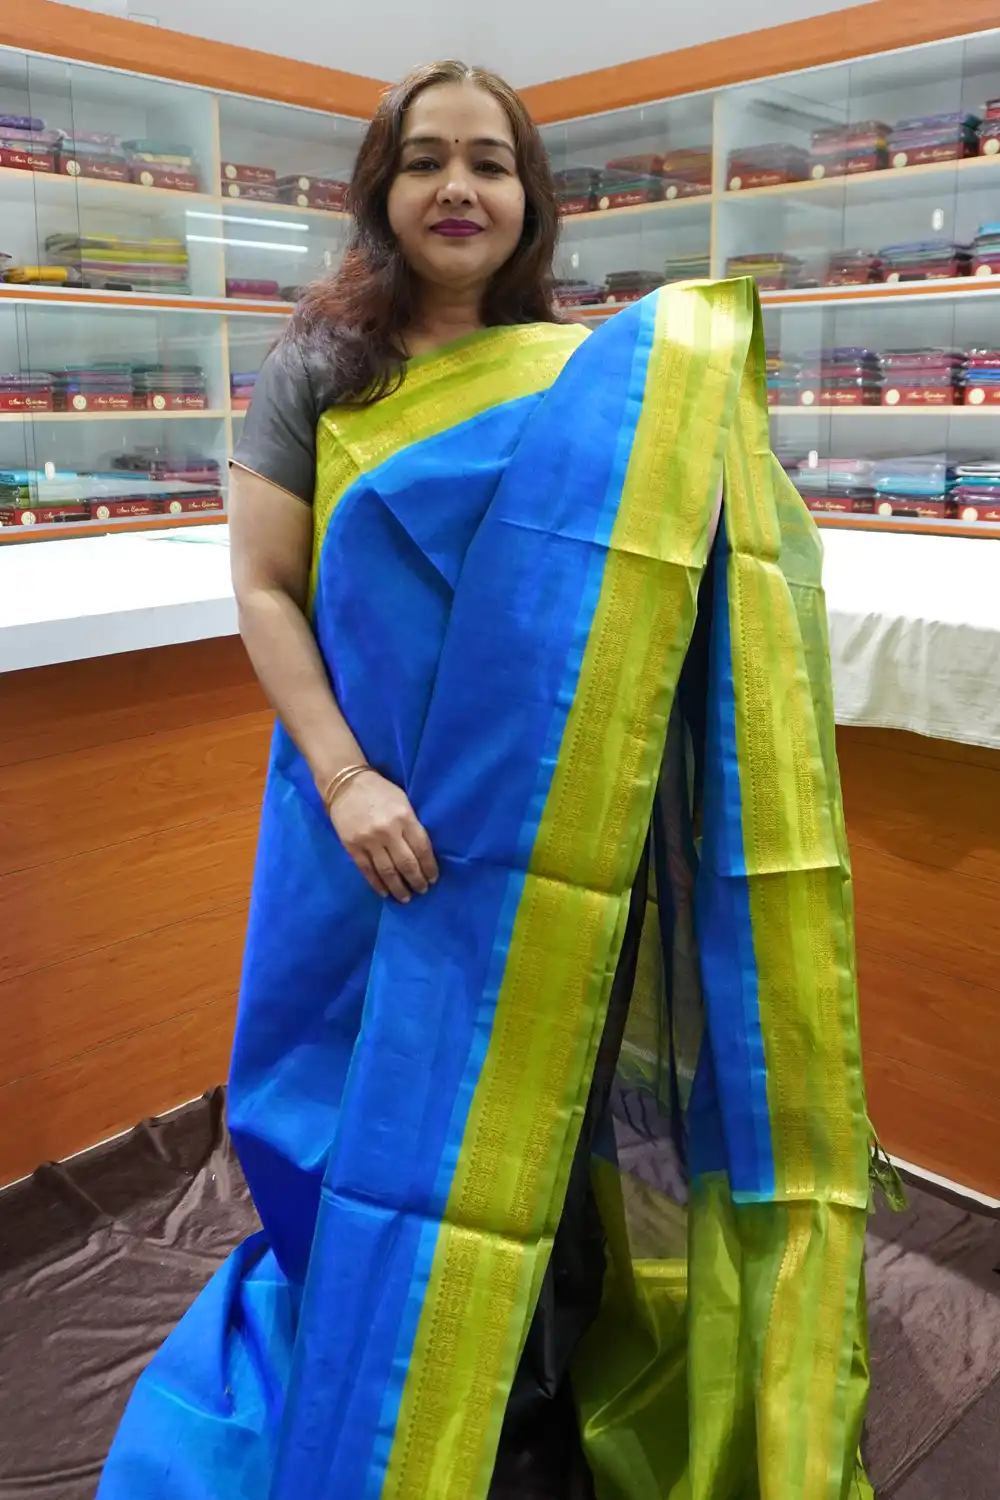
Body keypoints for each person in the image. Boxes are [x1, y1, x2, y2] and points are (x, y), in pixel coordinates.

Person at [97, 60, 884, 1500]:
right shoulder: (321, 368)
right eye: (425, 160)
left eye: (490, 162)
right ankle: (372, 1374)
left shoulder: (593, 382)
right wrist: (346, 779)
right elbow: (265, 589)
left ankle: (520, 1381)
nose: (457, 187)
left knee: (541, 1104)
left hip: (548, 829)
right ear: (380, 190)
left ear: (531, 198)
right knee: (341, 1098)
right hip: (363, 819)